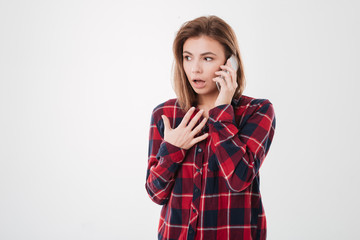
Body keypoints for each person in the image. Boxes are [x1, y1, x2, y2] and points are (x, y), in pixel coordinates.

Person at [145, 15, 276, 240]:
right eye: (188, 57)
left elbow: (239, 178)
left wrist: (222, 110)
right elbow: (156, 193)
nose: (195, 69)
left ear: (230, 63)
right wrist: (173, 147)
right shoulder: (165, 114)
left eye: (207, 58)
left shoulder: (257, 111)